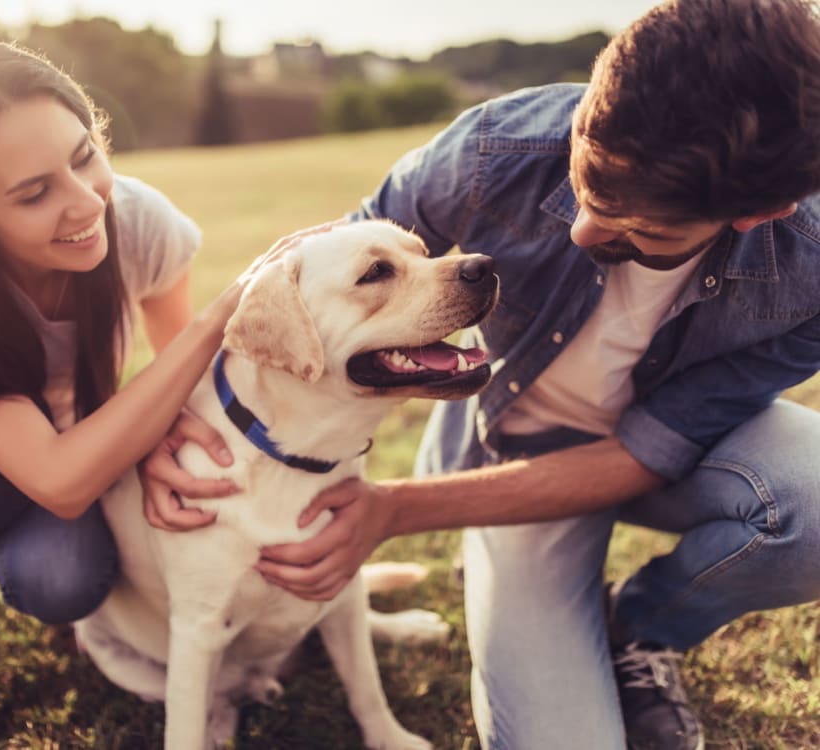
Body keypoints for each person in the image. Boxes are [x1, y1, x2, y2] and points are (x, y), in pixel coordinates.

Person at [142, 1, 820, 748]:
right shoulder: (500, 146)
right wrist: (175, 416)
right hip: (510, 447)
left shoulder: (809, 265)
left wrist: (394, 509)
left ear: (761, 212)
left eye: (643, 231)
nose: (584, 231)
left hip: (673, 456)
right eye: (587, 182)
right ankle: (539, 594)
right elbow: (318, 274)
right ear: (596, 94)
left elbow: (649, 450)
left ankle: (640, 628)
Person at [0, 39, 250, 748]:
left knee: (59, 580)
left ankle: (13, 550)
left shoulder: (139, 219)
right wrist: (221, 316)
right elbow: (59, 479)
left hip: (64, 444)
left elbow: (183, 389)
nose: (86, 202)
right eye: (34, 193)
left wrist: (155, 446)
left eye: (84, 155)